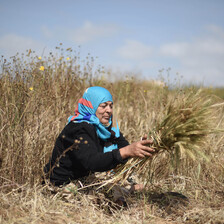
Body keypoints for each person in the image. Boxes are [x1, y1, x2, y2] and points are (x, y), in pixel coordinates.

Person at [43, 86, 154, 203]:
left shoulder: (105, 129)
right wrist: (126, 151)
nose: (109, 110)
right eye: (103, 106)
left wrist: (141, 148)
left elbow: (124, 149)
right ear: (92, 106)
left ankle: (126, 191)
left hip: (84, 180)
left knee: (117, 187)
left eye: (111, 106)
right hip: (62, 185)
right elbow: (92, 162)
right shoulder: (78, 128)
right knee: (109, 196)